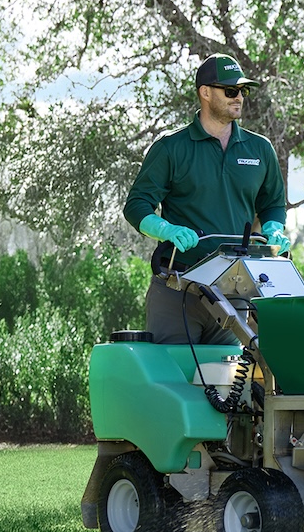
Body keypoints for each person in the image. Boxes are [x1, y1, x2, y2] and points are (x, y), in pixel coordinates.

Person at [123, 53, 292, 344]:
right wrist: (166, 230)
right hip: (177, 288)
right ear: (205, 92)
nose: (239, 97)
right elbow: (136, 206)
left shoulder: (260, 149)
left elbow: (272, 203)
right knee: (174, 382)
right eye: (230, 91)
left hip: (233, 290)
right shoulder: (170, 148)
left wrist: (274, 228)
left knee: (227, 384)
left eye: (243, 91)